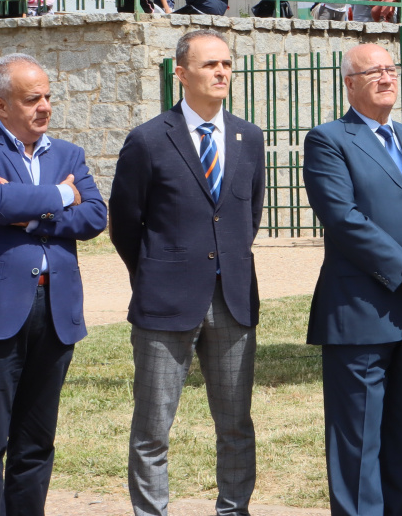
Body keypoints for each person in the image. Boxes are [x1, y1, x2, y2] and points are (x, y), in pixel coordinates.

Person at [0, 53, 108, 515]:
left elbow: (95, 216)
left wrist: (31, 214)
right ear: (1, 105)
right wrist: (63, 195)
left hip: (55, 314)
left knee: (35, 445)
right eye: (33, 99)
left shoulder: (69, 154)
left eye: (48, 96)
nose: (45, 106)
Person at [110, 30, 267, 516]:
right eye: (209, 65)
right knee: (153, 428)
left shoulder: (249, 137)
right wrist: (158, 272)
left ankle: (233, 510)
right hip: (165, 303)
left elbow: (248, 215)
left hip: (234, 301)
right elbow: (125, 223)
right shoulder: (148, 140)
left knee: (236, 426)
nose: (221, 72)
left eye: (226, 64)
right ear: (181, 73)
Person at [303, 41, 402, 516]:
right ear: (350, 84)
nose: (387, 77)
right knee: (357, 443)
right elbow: (342, 217)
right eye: (374, 72)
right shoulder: (329, 139)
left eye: (391, 69)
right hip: (360, 312)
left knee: (401, 436)